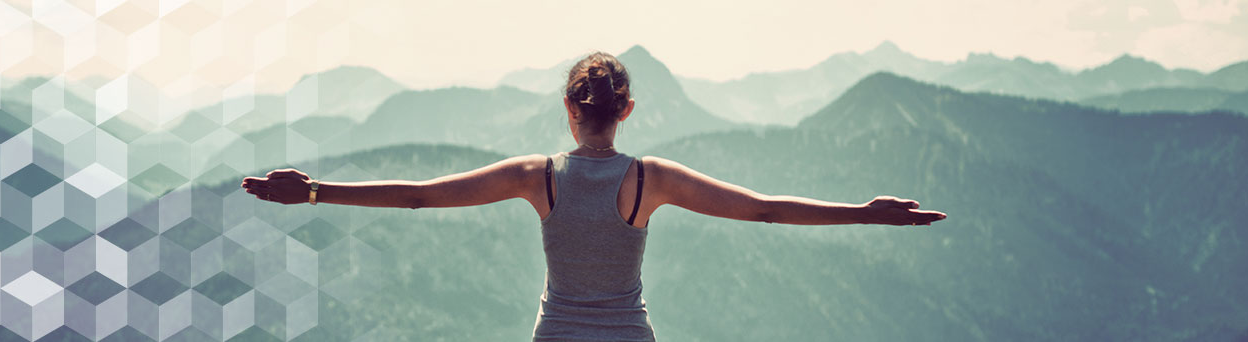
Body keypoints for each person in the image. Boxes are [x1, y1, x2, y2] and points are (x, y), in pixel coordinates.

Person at [241, 51, 947, 341]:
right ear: (628, 110)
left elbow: (421, 197)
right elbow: (763, 207)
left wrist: (314, 194)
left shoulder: (537, 176)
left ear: (568, 109)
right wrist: (864, 211)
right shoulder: (651, 180)